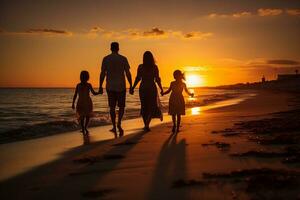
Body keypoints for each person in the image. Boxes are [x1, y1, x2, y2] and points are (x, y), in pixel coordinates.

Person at [99, 42, 132, 136]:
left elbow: (102, 74)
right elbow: (128, 73)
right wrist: (131, 85)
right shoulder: (123, 59)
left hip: (110, 86)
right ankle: (119, 123)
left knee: (112, 107)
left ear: (110, 48)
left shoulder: (106, 59)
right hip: (121, 86)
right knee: (122, 107)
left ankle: (114, 126)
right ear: (118, 48)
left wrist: (100, 86)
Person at [130, 51, 163, 132]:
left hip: (143, 87)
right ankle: (147, 124)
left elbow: (138, 78)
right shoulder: (155, 67)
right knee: (152, 106)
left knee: (144, 106)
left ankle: (146, 125)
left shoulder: (140, 67)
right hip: (151, 87)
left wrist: (133, 87)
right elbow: (157, 79)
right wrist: (161, 89)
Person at [72, 70, 99, 134]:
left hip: (87, 102)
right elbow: (75, 94)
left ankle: (85, 127)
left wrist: (99, 92)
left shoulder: (89, 85)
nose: (83, 78)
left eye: (84, 77)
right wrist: (73, 103)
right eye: (82, 77)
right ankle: (83, 128)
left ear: (87, 78)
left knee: (87, 116)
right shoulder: (78, 85)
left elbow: (94, 93)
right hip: (81, 102)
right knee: (82, 116)